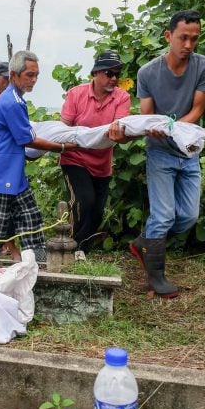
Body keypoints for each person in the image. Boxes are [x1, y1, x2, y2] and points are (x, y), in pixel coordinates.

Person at [130, 10, 205, 298]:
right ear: (168, 36)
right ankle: (157, 276)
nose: (189, 45)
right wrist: (155, 128)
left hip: (189, 150)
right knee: (164, 215)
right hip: (160, 153)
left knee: (189, 217)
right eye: (183, 38)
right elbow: (146, 115)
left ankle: (143, 241)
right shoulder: (147, 73)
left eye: (194, 38)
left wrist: (174, 129)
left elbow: (198, 109)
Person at [0, 50, 76, 260]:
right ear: (14, 75)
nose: (34, 80)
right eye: (29, 75)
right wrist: (63, 147)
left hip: (12, 174)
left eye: (36, 75)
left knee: (31, 217)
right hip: (0, 175)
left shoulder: (14, 99)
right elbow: (28, 140)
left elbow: (24, 138)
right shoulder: (11, 102)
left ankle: (36, 264)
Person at [59, 50, 131, 255]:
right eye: (109, 73)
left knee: (97, 213)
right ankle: (72, 247)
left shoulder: (122, 97)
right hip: (74, 157)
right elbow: (64, 127)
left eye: (118, 73)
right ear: (96, 72)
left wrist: (122, 135)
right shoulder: (76, 94)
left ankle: (81, 250)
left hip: (102, 164)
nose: (115, 78)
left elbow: (120, 130)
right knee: (84, 201)